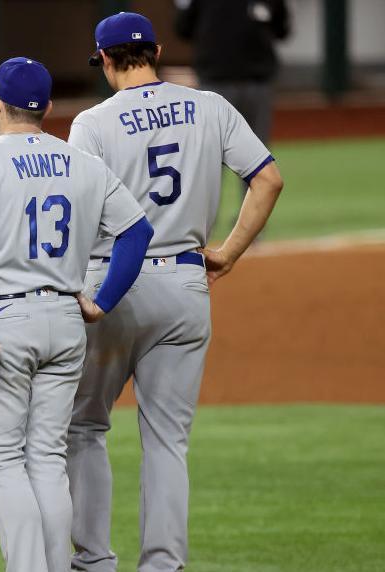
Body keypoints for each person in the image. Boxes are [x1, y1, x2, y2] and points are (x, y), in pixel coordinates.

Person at [0, 56, 152, 572]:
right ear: (45, 108)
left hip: (3, 324)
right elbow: (137, 232)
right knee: (46, 461)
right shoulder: (83, 163)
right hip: (65, 323)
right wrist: (101, 300)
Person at [66, 12, 284, 572]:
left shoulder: (92, 122)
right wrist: (229, 252)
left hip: (113, 284)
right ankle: (163, 565)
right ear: (157, 51)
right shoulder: (209, 106)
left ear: (106, 60)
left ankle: (93, 561)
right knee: (166, 440)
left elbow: (85, 216)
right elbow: (268, 178)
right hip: (187, 286)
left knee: (85, 427)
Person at [175, 0, 290, 197]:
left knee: (256, 160)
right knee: (210, 157)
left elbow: (282, 28)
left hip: (253, 82)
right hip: (216, 84)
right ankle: (203, 223)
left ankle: (253, 223)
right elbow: (183, 27)